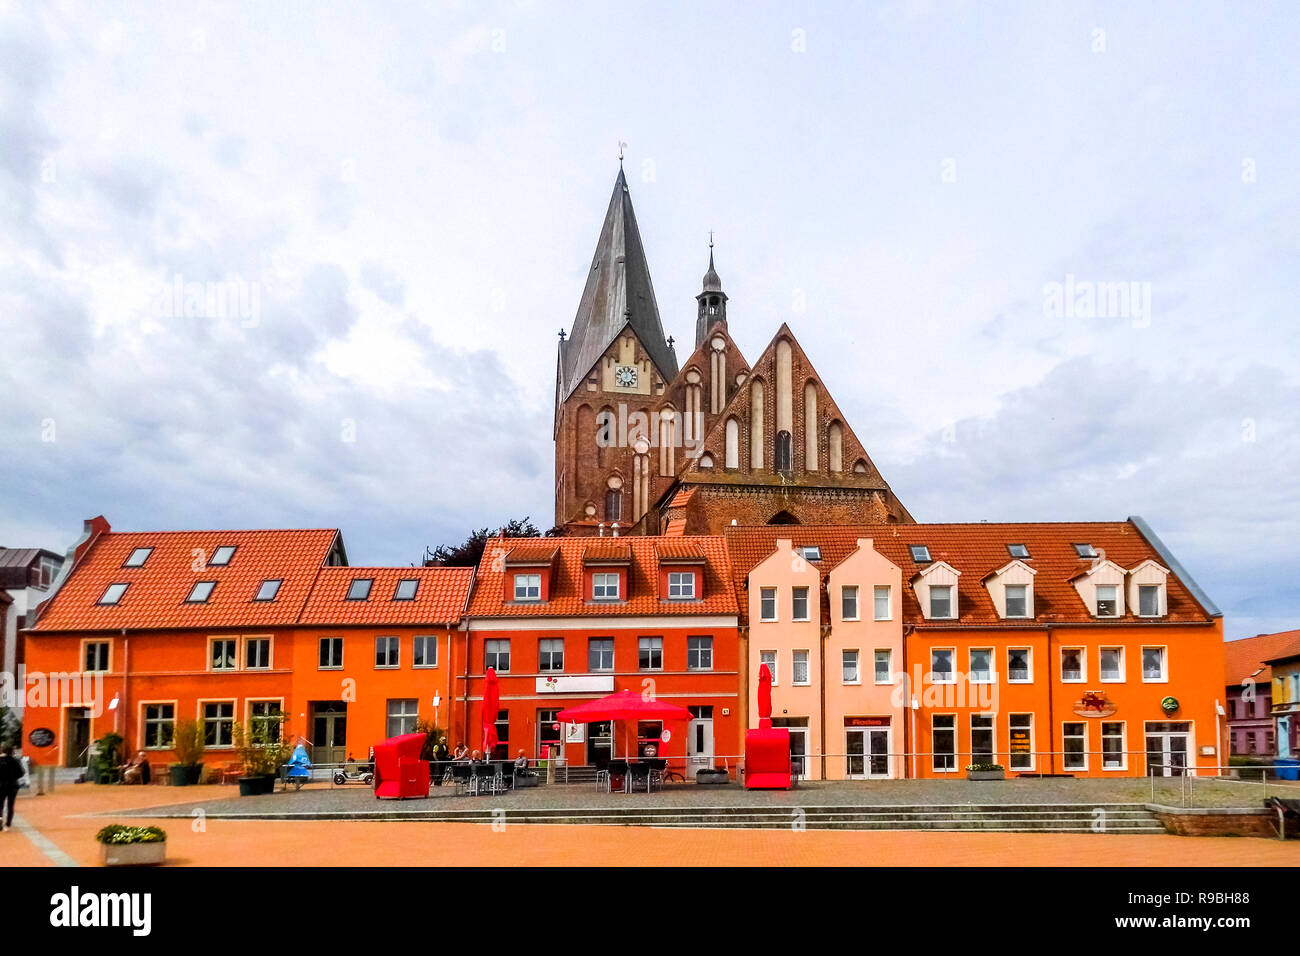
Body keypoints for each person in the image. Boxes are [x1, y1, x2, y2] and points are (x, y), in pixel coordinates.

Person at [0, 746, 23, 831]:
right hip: (12, 785)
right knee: (10, 805)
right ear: (11, 752)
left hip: (1, 785)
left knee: (0, 805)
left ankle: (0, 820)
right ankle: (8, 824)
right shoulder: (14, 761)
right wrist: (13, 777)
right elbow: (21, 773)